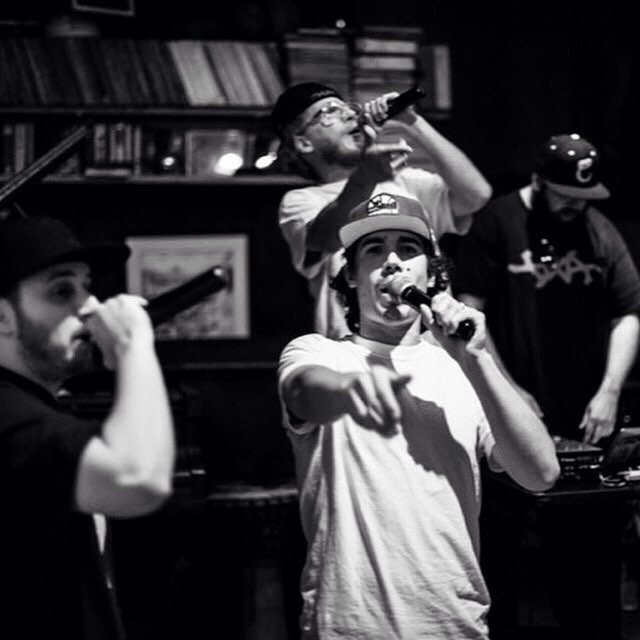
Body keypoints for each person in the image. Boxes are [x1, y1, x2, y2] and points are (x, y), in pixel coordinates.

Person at [277, 192, 559, 639]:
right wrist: (350, 390)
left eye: (408, 249)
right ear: (350, 275)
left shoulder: (462, 368)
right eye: (374, 250)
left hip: (455, 624)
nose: (393, 262)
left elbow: (541, 473)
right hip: (348, 627)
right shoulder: (320, 353)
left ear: (433, 273)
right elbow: (303, 391)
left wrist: (476, 359)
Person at [454, 133, 640, 639]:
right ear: (538, 182)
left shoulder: (598, 229)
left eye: (585, 197)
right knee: (498, 557)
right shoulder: (498, 221)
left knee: (588, 562)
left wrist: (610, 389)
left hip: (585, 418)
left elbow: (628, 313)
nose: (577, 205)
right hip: (507, 419)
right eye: (566, 196)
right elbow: (470, 309)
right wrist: (506, 389)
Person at [0, 215, 175, 639]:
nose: (92, 306)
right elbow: (137, 479)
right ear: (3, 317)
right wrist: (133, 345)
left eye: (87, 286)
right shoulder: (8, 412)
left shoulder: (32, 405)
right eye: (62, 291)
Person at [271, 81, 492, 339]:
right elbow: (325, 238)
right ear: (303, 142)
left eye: (348, 108)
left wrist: (412, 122)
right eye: (329, 111)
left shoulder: (405, 182)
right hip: (354, 354)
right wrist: (365, 178)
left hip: (430, 349)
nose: (349, 114)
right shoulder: (301, 201)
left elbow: (476, 194)